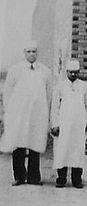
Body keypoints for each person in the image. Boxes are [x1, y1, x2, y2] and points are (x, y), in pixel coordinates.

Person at [0, 41, 51, 186]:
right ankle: (19, 177)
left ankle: (34, 177)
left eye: (34, 51)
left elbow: (48, 94)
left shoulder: (45, 71)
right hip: (19, 114)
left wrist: (44, 112)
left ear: (37, 53)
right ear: (24, 53)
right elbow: (8, 93)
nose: (31, 54)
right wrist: (9, 112)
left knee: (35, 144)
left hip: (37, 114)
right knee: (19, 144)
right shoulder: (15, 70)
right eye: (28, 51)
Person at [50, 60, 87, 188]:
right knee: (62, 151)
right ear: (67, 72)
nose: (73, 75)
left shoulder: (84, 86)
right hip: (64, 125)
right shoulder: (60, 86)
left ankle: (77, 179)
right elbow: (55, 107)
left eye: (76, 72)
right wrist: (55, 124)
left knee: (77, 152)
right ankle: (61, 178)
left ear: (79, 72)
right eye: (71, 72)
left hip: (79, 125)